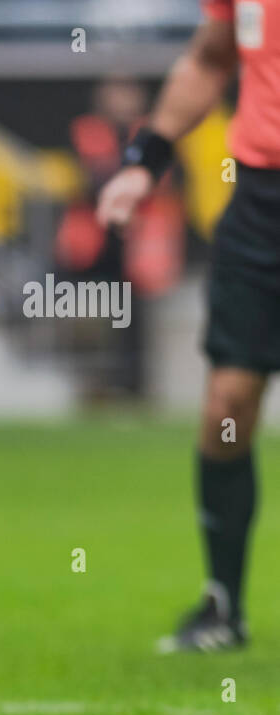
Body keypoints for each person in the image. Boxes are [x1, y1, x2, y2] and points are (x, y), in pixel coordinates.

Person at [97, 1, 278, 652]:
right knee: (226, 404)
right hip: (260, 204)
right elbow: (208, 57)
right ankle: (222, 606)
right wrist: (143, 162)